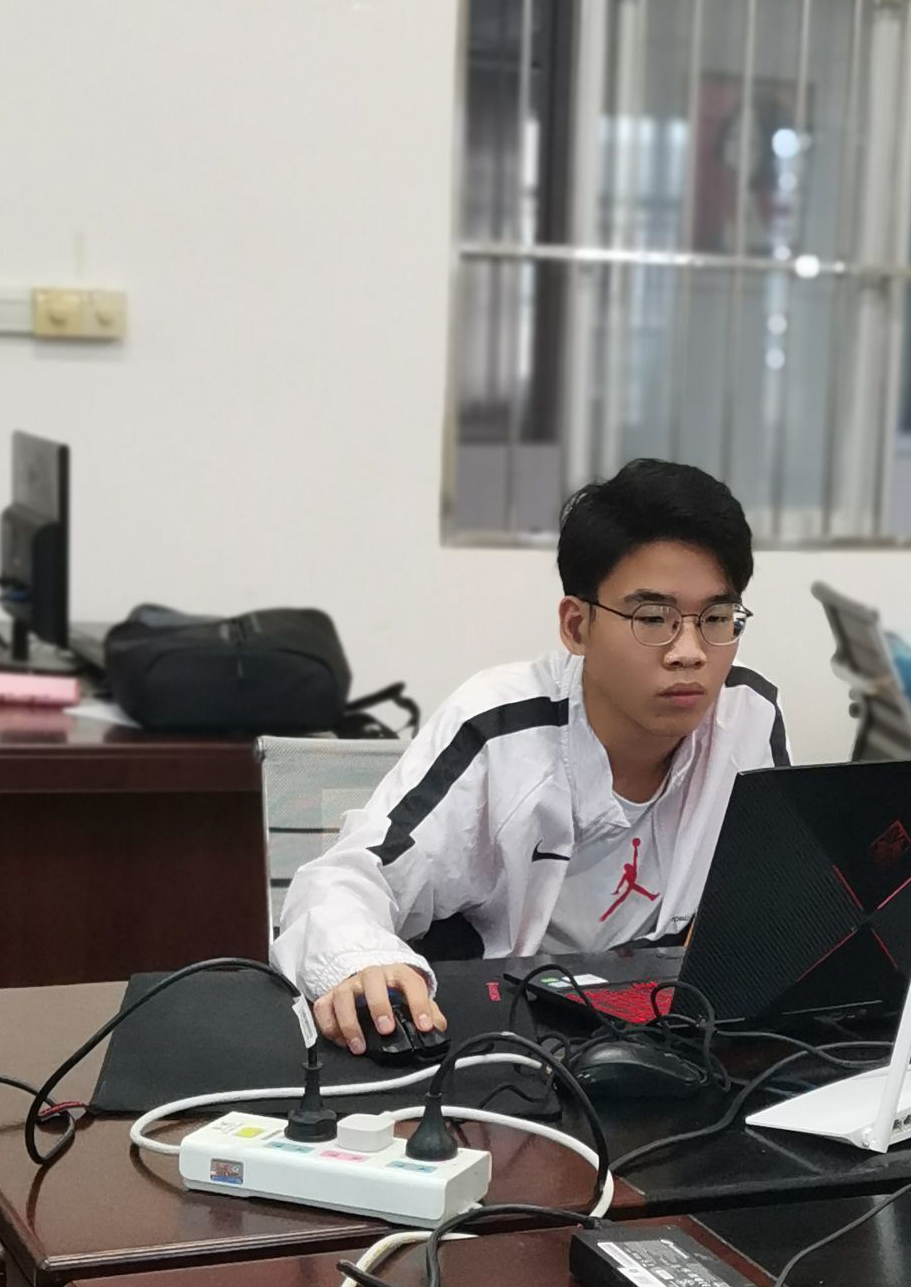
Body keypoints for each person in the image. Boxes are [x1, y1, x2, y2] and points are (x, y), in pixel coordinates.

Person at [271, 459, 789, 1053]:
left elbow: (778, 898)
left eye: (717, 618)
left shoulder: (747, 717)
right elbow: (344, 879)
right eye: (654, 618)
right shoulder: (499, 728)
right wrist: (361, 962)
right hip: (503, 1043)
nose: (691, 652)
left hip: (670, 1041)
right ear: (577, 626)